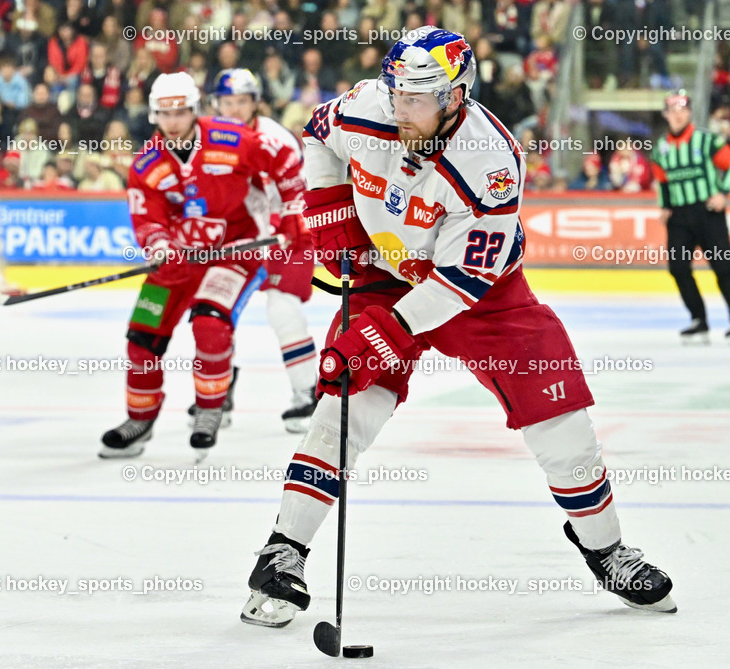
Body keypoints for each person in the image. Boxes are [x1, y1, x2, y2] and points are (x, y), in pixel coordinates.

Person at [240, 26, 676, 628]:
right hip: (385, 273)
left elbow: (460, 283)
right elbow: (319, 135)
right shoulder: (372, 105)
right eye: (395, 91)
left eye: (415, 96)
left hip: (481, 293)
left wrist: (387, 328)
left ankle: (606, 550)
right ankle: (282, 552)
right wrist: (332, 208)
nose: (399, 106)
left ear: (454, 97)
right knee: (344, 409)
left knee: (563, 425)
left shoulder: (491, 161)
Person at [99, 72, 306, 460]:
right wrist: (159, 245)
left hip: (234, 252)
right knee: (142, 340)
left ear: (194, 110)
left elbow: (286, 158)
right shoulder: (146, 164)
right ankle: (138, 420)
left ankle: (210, 411)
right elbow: (147, 219)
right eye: (165, 113)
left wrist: (292, 211)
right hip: (178, 261)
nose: (173, 120)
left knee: (210, 325)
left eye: (180, 111)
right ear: (153, 115)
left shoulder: (230, 137)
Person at [210, 68, 319, 433]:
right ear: (217, 104)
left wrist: (288, 223)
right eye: (228, 102)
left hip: (290, 233)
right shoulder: (209, 139)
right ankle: (217, 390)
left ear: (255, 102)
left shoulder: (274, 137)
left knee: (282, 307)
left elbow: (300, 188)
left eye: (242, 101)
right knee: (215, 311)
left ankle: (308, 393)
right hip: (242, 235)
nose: (235, 109)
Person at [650, 90, 730, 344]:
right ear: (666, 115)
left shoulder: (707, 140)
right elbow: (662, 181)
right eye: (673, 110)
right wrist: (664, 206)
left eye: (682, 109)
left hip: (708, 212)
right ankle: (699, 320)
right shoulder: (661, 148)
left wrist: (724, 192)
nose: (678, 114)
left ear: (690, 112)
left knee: (723, 267)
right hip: (679, 217)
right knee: (678, 268)